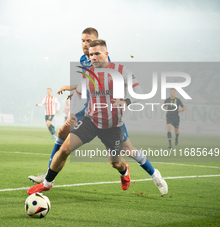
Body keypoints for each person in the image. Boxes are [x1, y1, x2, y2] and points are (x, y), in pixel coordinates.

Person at [29, 28, 168, 195]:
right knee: (65, 144)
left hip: (112, 123)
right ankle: (47, 182)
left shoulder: (119, 71)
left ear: (106, 53)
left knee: (120, 159)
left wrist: (125, 101)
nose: (92, 55)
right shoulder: (87, 68)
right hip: (90, 118)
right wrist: (72, 111)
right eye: (90, 53)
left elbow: (137, 90)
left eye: (96, 52)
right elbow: (81, 91)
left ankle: (146, 174)